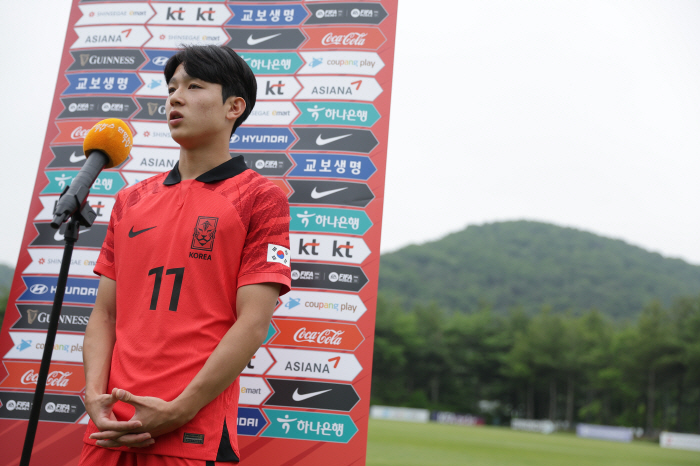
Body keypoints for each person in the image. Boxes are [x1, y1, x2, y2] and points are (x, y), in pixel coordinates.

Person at [78, 45, 291, 466]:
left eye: (194, 86)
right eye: (172, 87)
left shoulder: (260, 197)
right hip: (109, 429)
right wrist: (95, 398)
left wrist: (181, 408)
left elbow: (253, 322)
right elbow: (104, 314)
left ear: (235, 106)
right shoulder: (130, 199)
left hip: (194, 434)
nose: (175, 97)